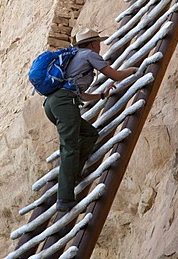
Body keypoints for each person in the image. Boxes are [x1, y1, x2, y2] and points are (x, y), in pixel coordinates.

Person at [43, 28, 138, 212]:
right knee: (69, 147)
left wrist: (101, 95)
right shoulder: (89, 55)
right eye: (98, 43)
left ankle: (74, 174)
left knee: (89, 134)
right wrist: (135, 69)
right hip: (64, 104)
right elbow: (115, 75)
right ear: (94, 43)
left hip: (53, 104)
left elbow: (80, 94)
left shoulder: (75, 57)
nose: (100, 46)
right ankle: (64, 198)